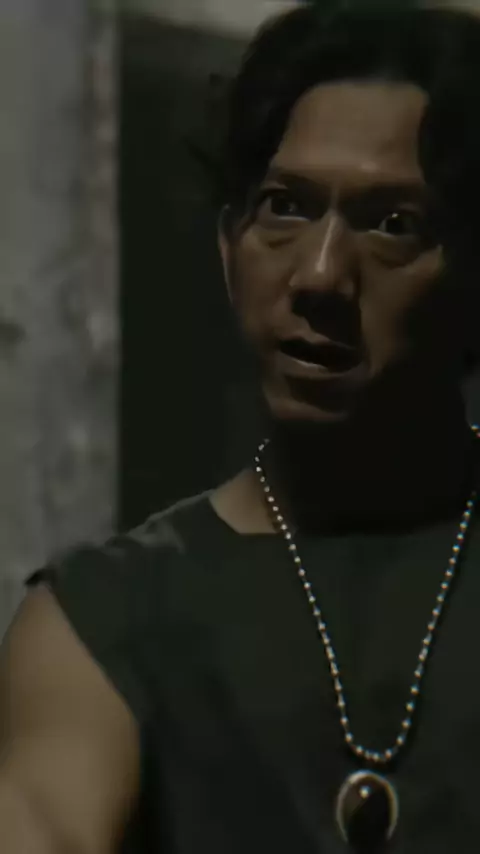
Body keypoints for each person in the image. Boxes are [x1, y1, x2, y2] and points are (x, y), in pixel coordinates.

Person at [1, 2, 480, 852]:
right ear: (230, 245)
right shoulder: (111, 620)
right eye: (285, 207)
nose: (321, 276)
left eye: (392, 223)